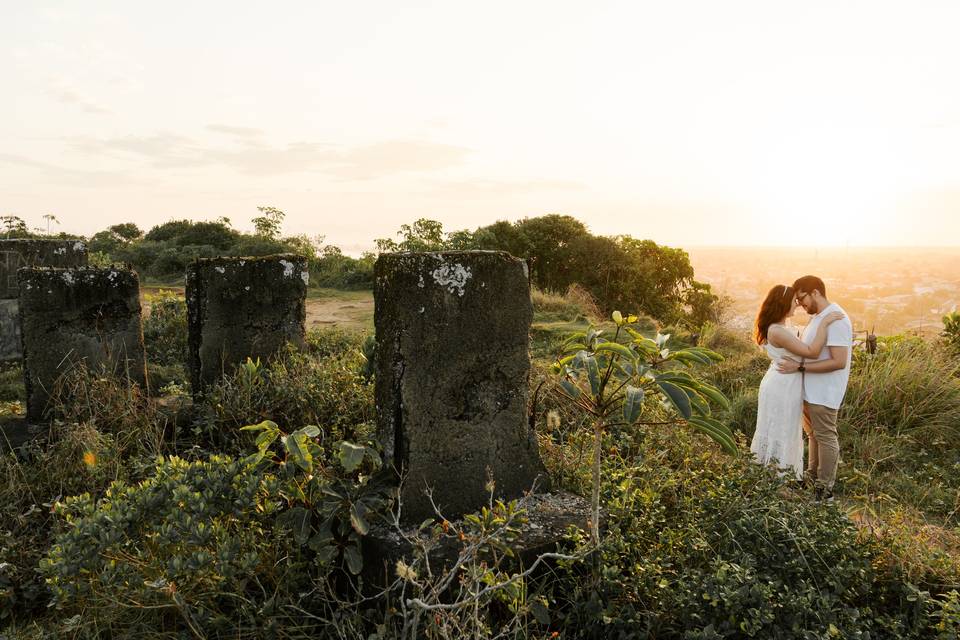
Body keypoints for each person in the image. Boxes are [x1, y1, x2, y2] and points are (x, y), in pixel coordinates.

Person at [751, 284, 843, 481]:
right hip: (782, 385)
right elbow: (812, 352)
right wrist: (825, 323)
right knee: (781, 429)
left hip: (785, 382)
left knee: (785, 429)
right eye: (794, 301)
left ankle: (775, 477)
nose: (798, 305)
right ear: (783, 303)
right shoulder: (777, 330)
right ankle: (778, 480)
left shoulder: (783, 327)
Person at [777, 275, 853, 501]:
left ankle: (825, 489)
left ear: (815, 293)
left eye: (802, 298)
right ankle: (812, 478)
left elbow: (838, 361)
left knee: (826, 437)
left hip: (825, 391)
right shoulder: (819, 317)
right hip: (811, 391)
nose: (800, 305)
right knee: (814, 436)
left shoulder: (836, 319)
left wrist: (799, 367)